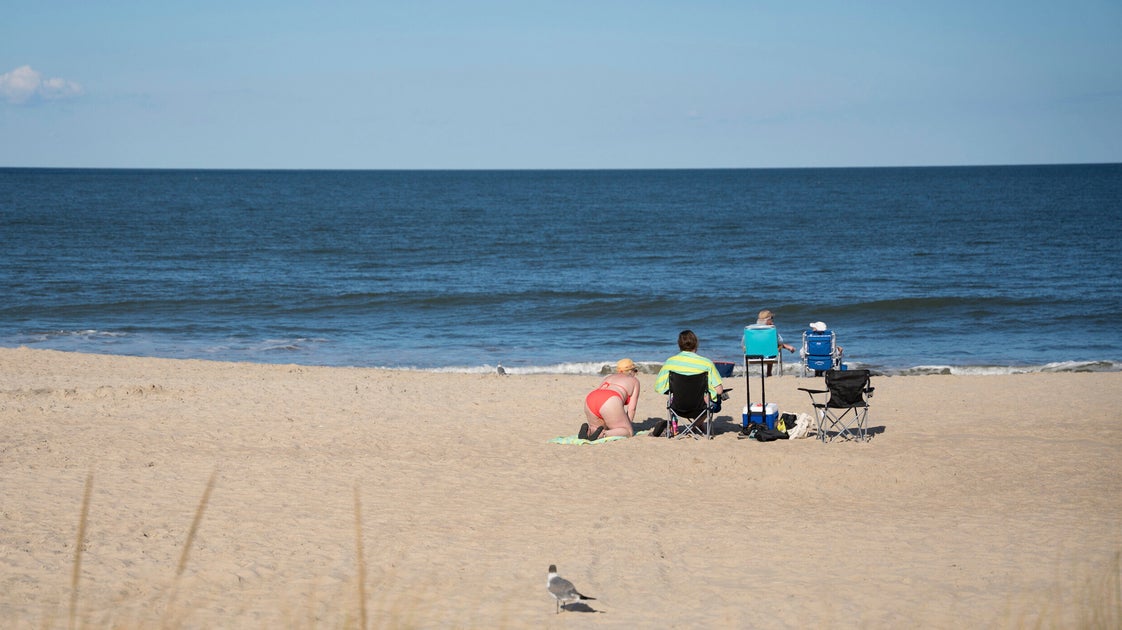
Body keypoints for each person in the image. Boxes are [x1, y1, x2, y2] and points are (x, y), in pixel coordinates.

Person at [654, 330, 726, 410]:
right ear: (696, 343)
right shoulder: (707, 363)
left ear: (679, 344)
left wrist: (678, 390)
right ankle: (701, 418)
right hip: (701, 406)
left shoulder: (670, 362)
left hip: (678, 406)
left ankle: (693, 419)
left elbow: (659, 387)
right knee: (716, 401)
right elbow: (719, 391)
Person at [580, 358, 641, 440]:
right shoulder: (634, 381)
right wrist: (628, 425)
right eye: (635, 371)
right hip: (610, 399)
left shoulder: (608, 377)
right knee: (628, 432)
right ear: (631, 371)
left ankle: (590, 430)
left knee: (601, 427)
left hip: (591, 398)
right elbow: (632, 409)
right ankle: (602, 434)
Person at [756, 309, 795, 376]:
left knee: (769, 346)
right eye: (771, 318)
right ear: (768, 320)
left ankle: (768, 372)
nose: (772, 320)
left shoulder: (750, 329)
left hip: (753, 355)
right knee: (772, 347)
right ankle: (769, 373)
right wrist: (786, 346)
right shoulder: (771, 330)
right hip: (768, 355)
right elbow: (780, 341)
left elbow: (744, 343)